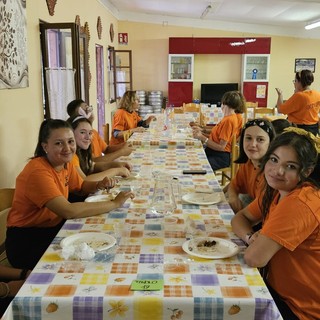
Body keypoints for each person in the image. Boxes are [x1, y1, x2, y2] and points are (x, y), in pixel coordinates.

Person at [5, 119, 134, 270]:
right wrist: (114, 204)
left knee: (105, 240)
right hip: (28, 241)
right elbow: (68, 211)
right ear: (45, 146)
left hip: (52, 227)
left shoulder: (64, 163)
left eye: (70, 142)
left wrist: (99, 184)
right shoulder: (38, 172)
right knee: (86, 262)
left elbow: (81, 187)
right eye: (59, 143)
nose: (67, 148)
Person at [231, 128, 320, 320]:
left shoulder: (301, 202)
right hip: (277, 288)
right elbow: (240, 217)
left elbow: (254, 258)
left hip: (299, 309)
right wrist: (250, 236)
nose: (278, 171)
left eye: (291, 166)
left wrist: (258, 242)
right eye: (274, 160)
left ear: (307, 171)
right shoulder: (276, 188)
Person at [227, 119, 276, 213]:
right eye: (248, 138)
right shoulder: (248, 163)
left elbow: (260, 210)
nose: (253, 144)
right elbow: (234, 185)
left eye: (260, 140)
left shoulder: (271, 173)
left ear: (270, 143)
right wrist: (233, 197)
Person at [192, 91, 245, 171]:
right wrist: (201, 133)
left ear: (224, 102)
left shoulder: (229, 120)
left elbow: (221, 147)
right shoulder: (227, 117)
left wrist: (202, 137)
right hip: (213, 152)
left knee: (196, 166)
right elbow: (215, 136)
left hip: (220, 157)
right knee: (192, 158)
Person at [68, 115, 132, 181]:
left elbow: (92, 166)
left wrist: (116, 165)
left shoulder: (82, 151)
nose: (88, 137)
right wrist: (116, 171)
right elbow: (85, 181)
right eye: (82, 132)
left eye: (90, 133)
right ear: (70, 133)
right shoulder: (71, 156)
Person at [67, 99, 133, 162]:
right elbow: (92, 162)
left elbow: (106, 149)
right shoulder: (79, 141)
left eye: (89, 108)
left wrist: (124, 145)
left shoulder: (94, 132)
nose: (90, 111)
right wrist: (121, 152)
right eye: (86, 109)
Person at [275, 69, 320, 136]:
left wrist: (280, 95)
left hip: (299, 129)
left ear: (300, 82)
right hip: (314, 128)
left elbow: (280, 109)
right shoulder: (317, 94)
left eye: (295, 81)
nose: (294, 83)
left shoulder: (299, 96)